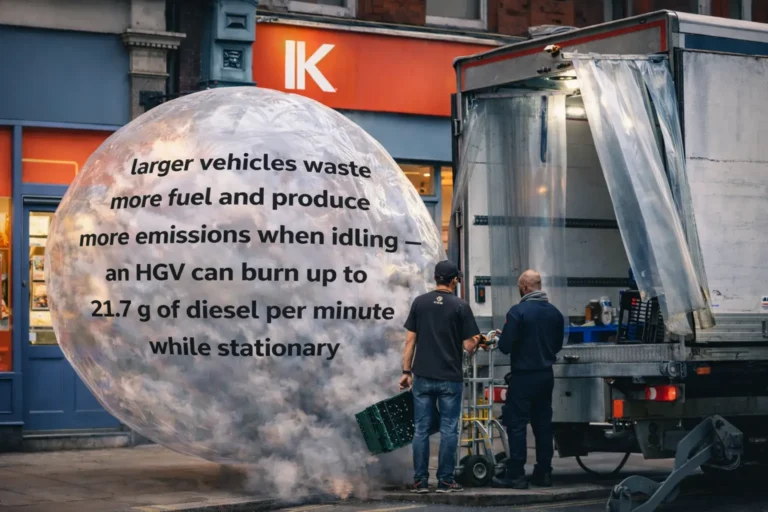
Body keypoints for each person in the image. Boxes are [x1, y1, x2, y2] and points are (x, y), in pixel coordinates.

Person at [399, 260, 482, 494]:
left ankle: (420, 481)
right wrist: (478, 340)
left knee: (421, 429)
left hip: (422, 376)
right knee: (449, 429)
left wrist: (406, 372)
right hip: (449, 378)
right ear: (454, 280)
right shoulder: (460, 306)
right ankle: (445, 480)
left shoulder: (420, 303)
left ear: (436, 278)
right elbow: (468, 345)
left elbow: (409, 341)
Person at [491, 269, 565, 490]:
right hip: (545, 376)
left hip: (523, 377)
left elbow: (505, 346)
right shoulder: (555, 313)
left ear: (523, 286)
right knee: (543, 426)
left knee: (517, 425)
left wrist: (501, 336)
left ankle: (516, 475)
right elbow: (557, 345)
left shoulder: (518, 312)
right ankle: (543, 473)